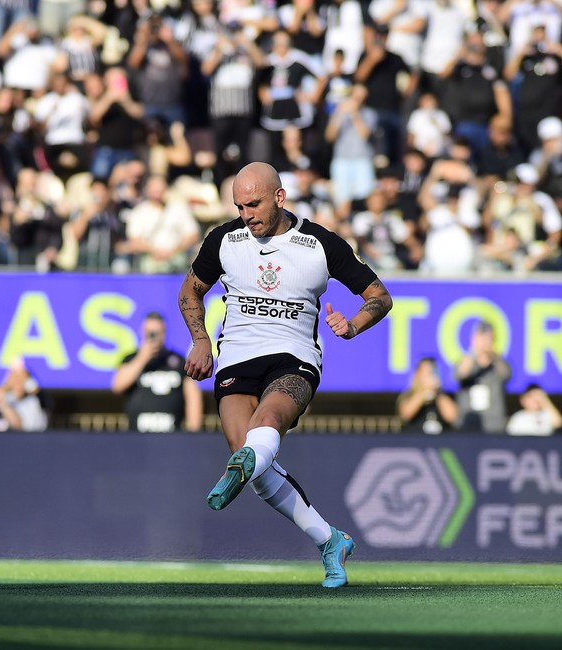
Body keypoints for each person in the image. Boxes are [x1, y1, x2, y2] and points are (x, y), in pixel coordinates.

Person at [178, 162, 393, 588]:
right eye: (239, 206)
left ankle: (315, 528)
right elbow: (190, 290)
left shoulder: (320, 244)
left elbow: (379, 296)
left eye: (254, 204)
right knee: (251, 462)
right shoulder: (223, 239)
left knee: (267, 424)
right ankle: (330, 540)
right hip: (236, 356)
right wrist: (201, 339)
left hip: (293, 358)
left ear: (280, 197)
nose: (246, 214)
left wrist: (352, 325)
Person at [111, 312, 203, 434]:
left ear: (164, 333)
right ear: (143, 333)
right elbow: (117, 385)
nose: (154, 338)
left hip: (172, 435)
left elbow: (193, 396)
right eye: (150, 333)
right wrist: (142, 358)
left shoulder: (178, 361)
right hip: (137, 436)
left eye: (157, 333)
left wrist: (193, 433)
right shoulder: (131, 359)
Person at [455, 320, 512, 433]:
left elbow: (506, 374)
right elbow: (460, 374)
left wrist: (492, 353)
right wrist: (475, 350)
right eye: (481, 337)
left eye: (488, 338)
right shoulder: (467, 361)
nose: (485, 341)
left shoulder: (497, 363)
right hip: (468, 424)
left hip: (494, 426)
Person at [396, 357, 459, 434]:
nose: (429, 376)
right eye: (425, 373)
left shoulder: (443, 396)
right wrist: (423, 392)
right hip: (415, 441)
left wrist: (437, 393)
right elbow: (406, 415)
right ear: (417, 374)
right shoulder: (409, 394)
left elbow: (452, 417)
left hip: (440, 443)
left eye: (432, 372)